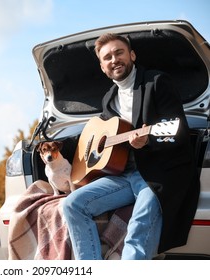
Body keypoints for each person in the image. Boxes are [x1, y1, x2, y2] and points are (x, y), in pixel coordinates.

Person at [63, 33, 200, 260]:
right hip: (124, 174)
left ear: (132, 55)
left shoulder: (156, 82)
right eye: (108, 57)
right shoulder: (109, 98)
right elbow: (101, 136)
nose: (114, 59)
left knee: (137, 230)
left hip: (159, 174)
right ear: (102, 67)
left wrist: (149, 140)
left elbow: (179, 131)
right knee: (73, 205)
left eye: (119, 52)